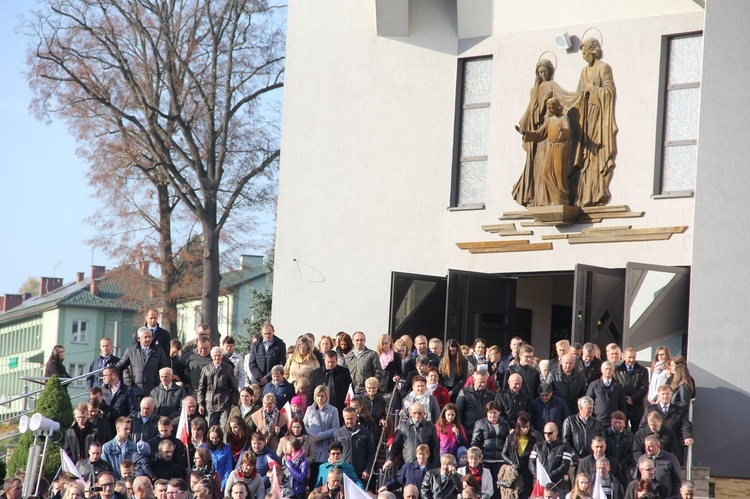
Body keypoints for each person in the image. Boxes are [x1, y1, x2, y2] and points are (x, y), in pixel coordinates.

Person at [513, 59, 575, 207]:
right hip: (543, 134)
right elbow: (535, 115)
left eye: (545, 71)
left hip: (557, 144)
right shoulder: (535, 91)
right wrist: (525, 132)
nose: (543, 74)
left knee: (557, 173)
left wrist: (578, 97)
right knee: (543, 170)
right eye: (540, 72)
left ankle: (557, 199)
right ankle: (542, 198)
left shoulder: (553, 89)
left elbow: (566, 96)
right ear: (537, 74)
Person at [572, 37, 618, 207]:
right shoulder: (584, 72)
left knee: (596, 154)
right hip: (586, 118)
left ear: (593, 51)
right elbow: (578, 94)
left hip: (599, 117)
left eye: (585, 53)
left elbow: (609, 92)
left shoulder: (604, 68)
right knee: (585, 156)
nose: (584, 56)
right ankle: (584, 193)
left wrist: (593, 90)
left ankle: (599, 191)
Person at [517, 97, 572, 205]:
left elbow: (568, 131)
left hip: (560, 148)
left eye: (552, 108)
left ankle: (561, 199)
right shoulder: (550, 120)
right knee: (545, 173)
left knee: (559, 175)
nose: (551, 110)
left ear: (557, 107)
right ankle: (550, 199)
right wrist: (525, 133)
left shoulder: (564, 119)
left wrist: (563, 131)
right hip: (551, 148)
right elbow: (539, 134)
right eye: (549, 108)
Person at [384, 402, 440, 470]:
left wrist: (434, 467)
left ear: (424, 414)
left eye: (420, 413)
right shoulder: (403, 426)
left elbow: (435, 448)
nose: (417, 415)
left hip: (425, 466)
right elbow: (396, 446)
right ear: (410, 413)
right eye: (414, 413)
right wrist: (390, 459)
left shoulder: (430, 427)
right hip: (407, 465)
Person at [116, 327, 170, 397]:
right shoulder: (131, 351)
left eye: (150, 337)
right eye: (146, 337)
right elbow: (120, 365)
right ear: (139, 339)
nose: (148, 339)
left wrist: (158, 381)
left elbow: (164, 367)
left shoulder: (158, 350)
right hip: (135, 390)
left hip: (153, 389)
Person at [304, 385, 340, 488]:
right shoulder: (309, 409)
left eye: (322, 396)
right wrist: (312, 436)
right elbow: (305, 425)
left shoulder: (333, 410)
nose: (320, 398)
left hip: (325, 447)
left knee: (323, 478)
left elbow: (335, 428)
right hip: (312, 447)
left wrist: (320, 436)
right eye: (318, 396)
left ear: (327, 396)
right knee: (312, 477)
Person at [471, 401, 509, 496]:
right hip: (486, 459)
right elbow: (475, 442)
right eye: (490, 412)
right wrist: (478, 455)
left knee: (497, 486)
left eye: (495, 412)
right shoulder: (480, 424)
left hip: (500, 459)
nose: (492, 415)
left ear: (499, 413)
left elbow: (508, 441)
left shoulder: (504, 424)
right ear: (487, 413)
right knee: (486, 485)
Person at [198, 346, 240, 427]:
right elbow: (201, 388)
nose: (217, 357)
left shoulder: (228, 368)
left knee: (225, 428)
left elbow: (234, 388)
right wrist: (200, 404)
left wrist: (234, 403)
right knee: (210, 429)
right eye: (215, 355)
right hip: (210, 404)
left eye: (219, 355)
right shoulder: (206, 369)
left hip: (224, 403)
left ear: (222, 356)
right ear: (211, 356)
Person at [501, 412, 538, 499]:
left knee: (525, 493)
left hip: (527, 469)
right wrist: (512, 463)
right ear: (518, 427)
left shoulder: (533, 439)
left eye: (528, 427)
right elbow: (503, 454)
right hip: (515, 469)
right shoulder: (510, 437)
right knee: (513, 493)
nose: (526, 429)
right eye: (523, 427)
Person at [529, 423, 573, 496]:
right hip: (540, 484)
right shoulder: (537, 446)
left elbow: (565, 466)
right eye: (545, 433)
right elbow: (531, 464)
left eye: (550, 433)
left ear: (556, 432)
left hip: (557, 484)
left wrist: (549, 476)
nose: (547, 435)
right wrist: (540, 477)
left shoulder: (564, 447)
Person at [307, 351, 352, 420]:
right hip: (320, 409)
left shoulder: (344, 372)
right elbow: (310, 392)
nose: (330, 364)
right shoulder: (316, 373)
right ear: (324, 360)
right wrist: (310, 407)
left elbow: (349, 390)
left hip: (339, 407)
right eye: (328, 362)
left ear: (337, 361)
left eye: (332, 362)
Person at [333, 406, 374, 481]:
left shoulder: (365, 432)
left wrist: (367, 470)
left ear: (356, 417)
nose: (349, 421)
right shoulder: (338, 433)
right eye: (347, 419)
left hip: (360, 473)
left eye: (351, 418)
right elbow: (334, 453)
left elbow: (370, 453)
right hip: (343, 472)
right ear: (343, 418)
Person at [614, 348, 650, 432]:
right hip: (622, 406)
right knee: (621, 430)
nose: (631, 360)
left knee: (637, 431)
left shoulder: (643, 371)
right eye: (629, 357)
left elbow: (644, 387)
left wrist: (632, 398)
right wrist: (625, 398)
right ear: (624, 357)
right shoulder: (617, 371)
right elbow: (616, 387)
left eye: (633, 357)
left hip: (637, 405)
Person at [561, 396, 602, 464]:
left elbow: (601, 440)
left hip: (593, 461)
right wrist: (576, 458)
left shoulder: (598, 423)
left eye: (592, 408)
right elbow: (566, 441)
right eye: (589, 408)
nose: (591, 411)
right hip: (575, 461)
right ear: (580, 408)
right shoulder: (570, 421)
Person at [586, 361, 626, 429]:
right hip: (598, 420)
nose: (608, 371)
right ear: (601, 370)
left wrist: (623, 421)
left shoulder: (618, 386)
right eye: (606, 369)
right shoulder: (594, 385)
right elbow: (588, 402)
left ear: (613, 371)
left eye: (610, 369)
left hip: (613, 421)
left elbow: (622, 405)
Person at [456, 370, 495, 436]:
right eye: (480, 382)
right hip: (468, 430)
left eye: (485, 382)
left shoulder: (490, 395)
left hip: (485, 430)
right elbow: (458, 412)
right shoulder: (464, 392)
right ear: (474, 380)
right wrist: (459, 428)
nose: (483, 384)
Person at [605, 411, 635, 480]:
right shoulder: (605, 434)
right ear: (611, 422)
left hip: (625, 468)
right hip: (609, 467)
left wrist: (623, 464)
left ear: (624, 423)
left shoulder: (631, 436)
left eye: (620, 422)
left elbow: (632, 452)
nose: (617, 425)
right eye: (615, 422)